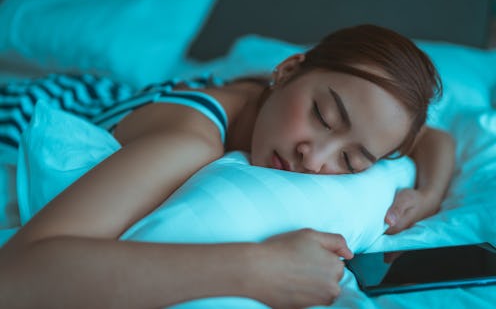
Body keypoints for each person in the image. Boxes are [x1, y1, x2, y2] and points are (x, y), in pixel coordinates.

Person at [0, 24, 454, 308]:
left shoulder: (270, 96)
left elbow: (436, 136)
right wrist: (255, 269)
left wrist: (428, 194)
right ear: (289, 69)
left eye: (352, 160)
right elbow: (17, 276)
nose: (312, 160)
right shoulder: (184, 144)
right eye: (322, 117)